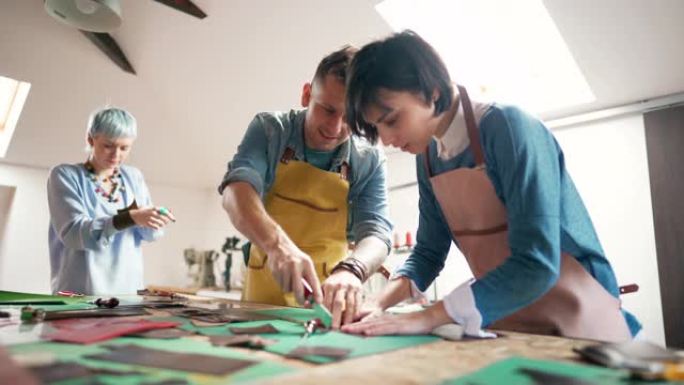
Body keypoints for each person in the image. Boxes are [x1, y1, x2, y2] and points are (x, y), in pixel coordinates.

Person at [341, 31, 640, 342]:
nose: (387, 140)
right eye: (377, 128)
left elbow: (536, 263)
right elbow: (429, 252)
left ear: (430, 91)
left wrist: (428, 317)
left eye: (391, 120)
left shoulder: (509, 127)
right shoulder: (428, 157)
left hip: (585, 316)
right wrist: (375, 303)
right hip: (513, 319)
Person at [220, 46, 393, 328]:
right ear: (306, 95)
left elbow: (377, 232)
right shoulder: (270, 129)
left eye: (350, 117)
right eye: (328, 109)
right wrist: (277, 246)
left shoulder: (368, 158)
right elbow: (235, 190)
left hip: (327, 309)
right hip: (259, 305)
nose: (336, 127)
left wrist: (352, 270)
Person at [48, 107, 175, 295]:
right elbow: (73, 234)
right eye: (108, 145)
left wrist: (155, 218)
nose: (116, 155)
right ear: (90, 139)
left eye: (124, 148)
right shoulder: (65, 175)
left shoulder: (133, 176)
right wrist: (130, 217)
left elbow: (149, 235)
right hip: (81, 290)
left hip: (127, 292)